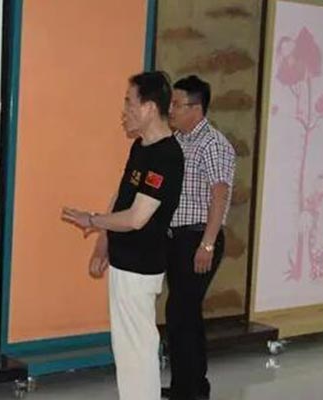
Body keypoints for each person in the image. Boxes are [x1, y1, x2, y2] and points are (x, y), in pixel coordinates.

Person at [62, 71, 184, 400]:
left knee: (138, 351)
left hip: (141, 267)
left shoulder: (167, 156)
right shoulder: (141, 147)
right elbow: (122, 197)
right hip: (123, 262)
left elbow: (137, 218)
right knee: (127, 350)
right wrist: (102, 242)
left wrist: (91, 219)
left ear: (149, 108)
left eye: (130, 102)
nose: (124, 111)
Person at [163, 75, 236, 400]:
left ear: (196, 108)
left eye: (177, 104)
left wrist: (207, 243)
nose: (171, 110)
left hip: (199, 238)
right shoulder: (178, 140)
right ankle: (186, 386)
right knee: (182, 313)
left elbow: (220, 196)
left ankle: (193, 389)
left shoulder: (213, 143)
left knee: (182, 310)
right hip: (177, 239)